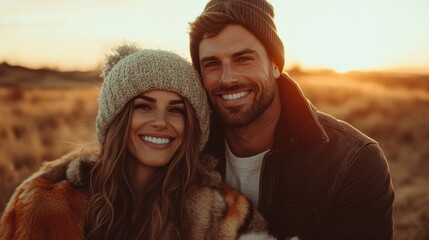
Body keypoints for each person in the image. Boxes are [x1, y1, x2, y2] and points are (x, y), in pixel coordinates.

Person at [0, 44, 274, 239]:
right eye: (144, 106)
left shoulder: (225, 216)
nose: (160, 121)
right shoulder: (44, 206)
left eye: (177, 110)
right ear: (117, 119)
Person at [188, 0, 395, 239]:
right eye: (212, 64)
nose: (227, 78)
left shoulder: (353, 163)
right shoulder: (187, 152)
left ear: (275, 65)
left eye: (243, 59)